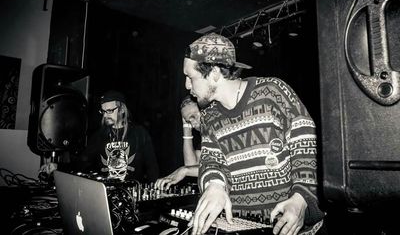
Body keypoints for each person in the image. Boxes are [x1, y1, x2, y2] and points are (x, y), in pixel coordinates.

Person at [182, 33, 325, 235]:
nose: (187, 86)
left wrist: (301, 198)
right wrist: (214, 184)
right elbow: (211, 161)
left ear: (214, 73)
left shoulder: (273, 91)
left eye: (190, 77)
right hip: (244, 227)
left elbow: (306, 145)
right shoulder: (209, 116)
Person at [75, 90, 159, 182]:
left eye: (110, 111)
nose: (105, 115)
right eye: (103, 111)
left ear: (122, 109)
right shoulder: (98, 136)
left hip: (131, 192)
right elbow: (82, 163)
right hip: (106, 192)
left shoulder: (139, 133)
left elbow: (152, 167)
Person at [155, 96, 201, 190]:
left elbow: (226, 168)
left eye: (194, 116)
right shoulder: (206, 137)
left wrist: (184, 170)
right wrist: (186, 127)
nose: (193, 124)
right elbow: (191, 165)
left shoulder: (221, 130)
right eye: (189, 121)